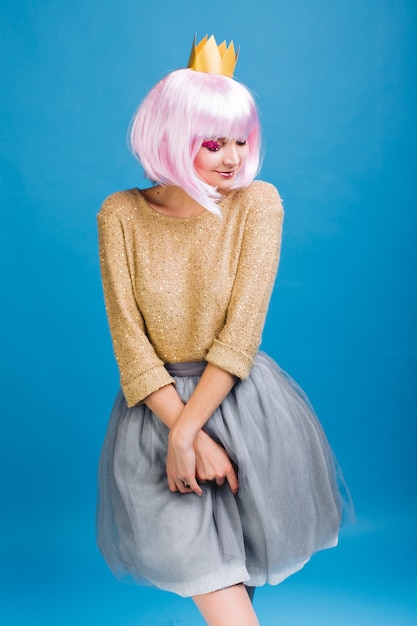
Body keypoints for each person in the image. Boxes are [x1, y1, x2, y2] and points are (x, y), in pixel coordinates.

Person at [96, 35, 354, 626]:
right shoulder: (120, 214)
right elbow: (129, 343)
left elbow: (241, 334)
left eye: (241, 139)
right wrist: (182, 435)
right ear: (169, 137)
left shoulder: (257, 204)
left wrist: (194, 433)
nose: (233, 156)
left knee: (235, 578)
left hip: (242, 406)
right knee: (209, 576)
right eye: (213, 142)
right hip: (155, 416)